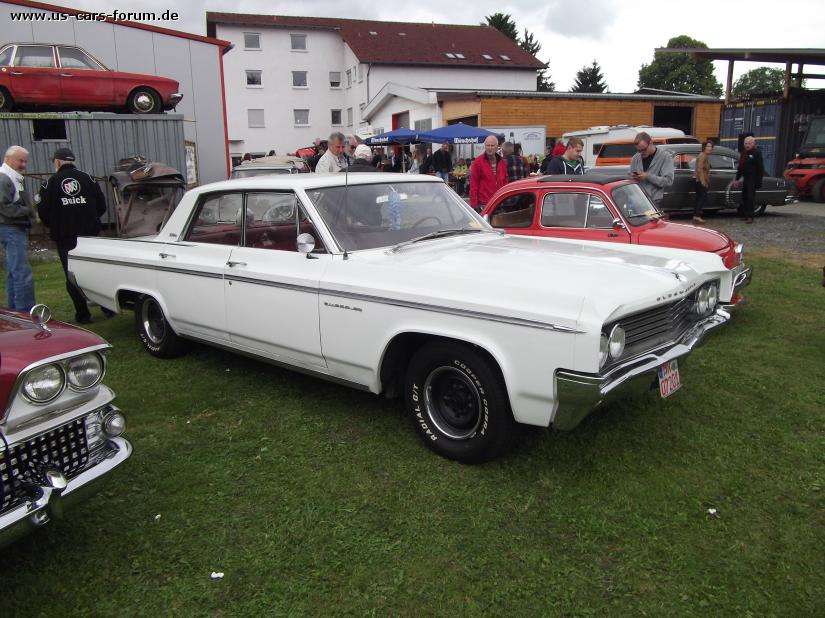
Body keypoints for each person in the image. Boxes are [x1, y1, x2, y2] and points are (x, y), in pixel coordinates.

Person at [37, 148, 113, 324]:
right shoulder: (89, 179)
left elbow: (44, 213)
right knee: (95, 272)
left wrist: (57, 224)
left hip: (65, 238)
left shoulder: (50, 183)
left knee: (72, 276)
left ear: (57, 162)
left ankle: (83, 314)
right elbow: (102, 206)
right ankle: (107, 308)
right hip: (90, 236)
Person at [0, 145, 36, 311]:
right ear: (8, 159)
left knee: (14, 272)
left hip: (13, 227)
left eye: (25, 161)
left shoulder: (13, 176)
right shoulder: (4, 178)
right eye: (20, 160)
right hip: (10, 228)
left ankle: (14, 311)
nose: (23, 165)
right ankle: (26, 312)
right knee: (22, 272)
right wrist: (28, 210)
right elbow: (4, 206)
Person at [629, 131, 674, 208]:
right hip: (637, 202)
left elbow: (668, 181)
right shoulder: (635, 158)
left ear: (651, 143)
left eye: (643, 149)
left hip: (654, 202)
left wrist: (648, 176)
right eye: (639, 150)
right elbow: (629, 176)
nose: (641, 153)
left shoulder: (665, 157)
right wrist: (633, 177)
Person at [469, 135, 508, 212]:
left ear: (497, 147)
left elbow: (505, 182)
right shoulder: (478, 162)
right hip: (483, 204)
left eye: (492, 145)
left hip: (499, 203)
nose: (490, 148)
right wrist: (474, 205)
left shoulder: (502, 162)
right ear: (485, 146)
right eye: (488, 145)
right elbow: (473, 185)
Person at [734, 136, 764, 224]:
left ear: (753, 144)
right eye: (746, 143)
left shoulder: (756, 153)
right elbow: (740, 167)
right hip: (746, 178)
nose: (747, 145)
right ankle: (746, 215)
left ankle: (750, 217)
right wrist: (737, 179)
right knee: (744, 197)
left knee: (751, 198)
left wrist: (758, 181)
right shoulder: (744, 153)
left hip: (753, 179)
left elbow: (760, 168)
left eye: (749, 143)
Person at [693, 140, 713, 224]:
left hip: (701, 179)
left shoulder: (705, 155)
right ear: (704, 147)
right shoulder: (703, 155)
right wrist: (702, 181)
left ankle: (696, 215)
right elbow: (699, 169)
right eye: (708, 146)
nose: (710, 148)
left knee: (700, 198)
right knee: (702, 198)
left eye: (711, 146)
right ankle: (697, 216)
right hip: (700, 180)